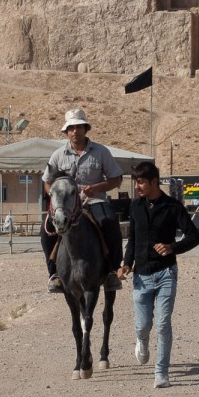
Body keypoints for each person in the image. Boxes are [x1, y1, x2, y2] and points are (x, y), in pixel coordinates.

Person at [118, 161, 199, 388]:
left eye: (141, 182)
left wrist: (173, 247)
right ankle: (142, 341)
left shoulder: (173, 207)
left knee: (163, 324)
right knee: (143, 325)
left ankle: (161, 372)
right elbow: (132, 239)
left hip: (166, 274)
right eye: (135, 181)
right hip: (141, 276)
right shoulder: (135, 206)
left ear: (154, 182)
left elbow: (194, 237)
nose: (137, 186)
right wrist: (126, 264)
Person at [41, 108, 124, 294]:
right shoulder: (57, 155)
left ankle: (112, 271)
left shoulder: (101, 152)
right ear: (66, 132)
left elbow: (116, 179)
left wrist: (96, 188)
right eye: (71, 128)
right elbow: (47, 182)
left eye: (79, 127)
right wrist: (54, 200)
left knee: (110, 223)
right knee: (45, 231)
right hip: (65, 206)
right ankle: (54, 275)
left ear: (86, 129)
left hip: (94, 201)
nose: (75, 131)